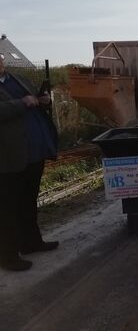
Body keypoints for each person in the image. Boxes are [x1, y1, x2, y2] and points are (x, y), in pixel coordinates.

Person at [0, 53, 59, 272]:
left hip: (34, 153)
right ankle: (7, 256)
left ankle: (31, 242)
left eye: (0, 58)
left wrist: (45, 100)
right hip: (8, 157)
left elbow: (38, 98)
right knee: (7, 208)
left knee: (28, 201)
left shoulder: (18, 79)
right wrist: (22, 103)